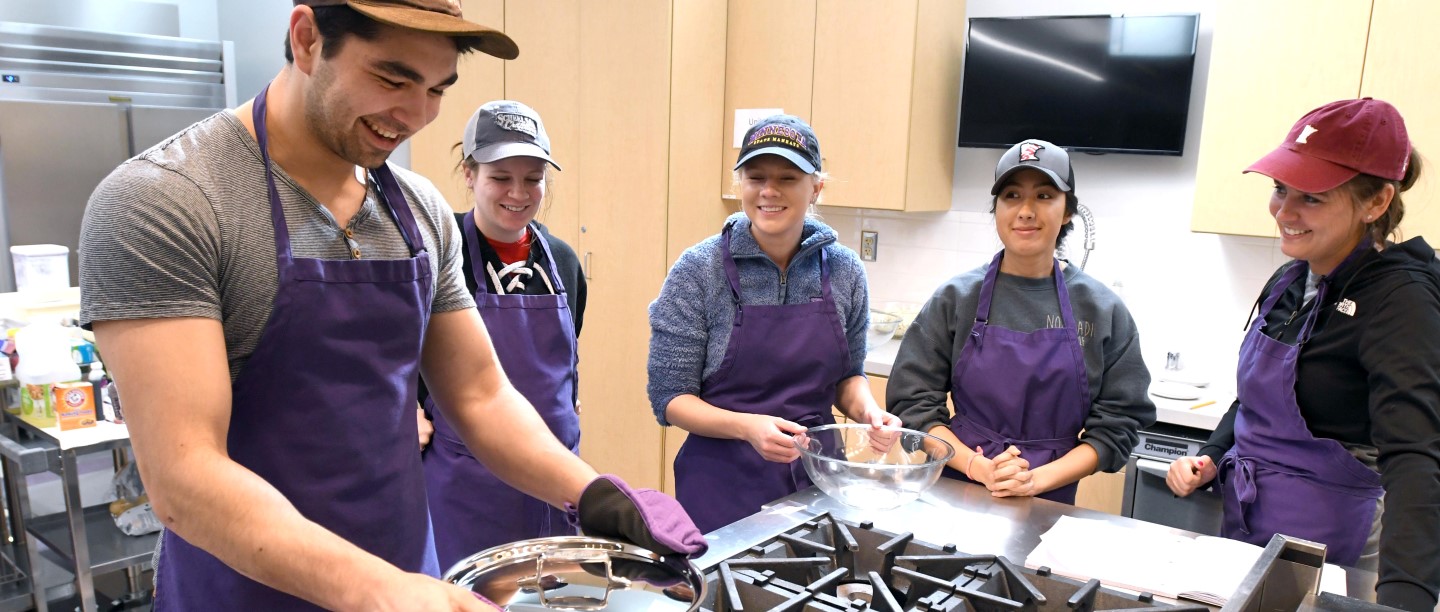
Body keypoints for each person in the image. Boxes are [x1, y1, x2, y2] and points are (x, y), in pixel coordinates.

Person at [78, 2, 702, 610]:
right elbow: (185, 477)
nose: (415, 114)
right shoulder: (167, 203)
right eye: (392, 77)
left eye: (436, 88)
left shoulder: (419, 212)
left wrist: (593, 495)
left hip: (406, 573)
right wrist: (379, 591)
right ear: (307, 38)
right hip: (251, 588)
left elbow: (480, 395)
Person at [1166, 98, 1440, 611]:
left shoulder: (1401, 298)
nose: (1284, 213)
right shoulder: (1292, 276)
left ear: (1377, 201)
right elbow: (1255, 399)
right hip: (1249, 532)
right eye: (1279, 189)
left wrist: (1405, 600)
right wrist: (1213, 452)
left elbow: (1416, 457)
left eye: (1311, 198)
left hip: (1336, 555)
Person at [648, 114, 899, 533]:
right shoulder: (698, 271)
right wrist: (748, 427)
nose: (769, 191)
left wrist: (869, 413)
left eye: (787, 177)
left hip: (820, 480)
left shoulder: (844, 270)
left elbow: (848, 377)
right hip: (721, 485)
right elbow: (670, 399)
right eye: (756, 176)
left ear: (816, 187)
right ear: (739, 184)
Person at [887, 139, 1156, 504]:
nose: (1026, 211)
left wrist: (1035, 479)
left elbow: (1118, 426)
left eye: (1044, 196)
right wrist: (979, 467)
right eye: (1012, 195)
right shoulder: (956, 299)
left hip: (1049, 498)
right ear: (996, 209)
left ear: (1067, 213)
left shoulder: (1101, 310)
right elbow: (912, 404)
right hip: (957, 486)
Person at [419, 99, 586, 569]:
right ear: (469, 174)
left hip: (552, 477)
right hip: (467, 483)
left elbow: (568, 361)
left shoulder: (563, 262)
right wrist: (404, 410)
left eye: (533, 179)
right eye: (500, 177)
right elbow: (394, 352)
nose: (519, 193)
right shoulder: (437, 252)